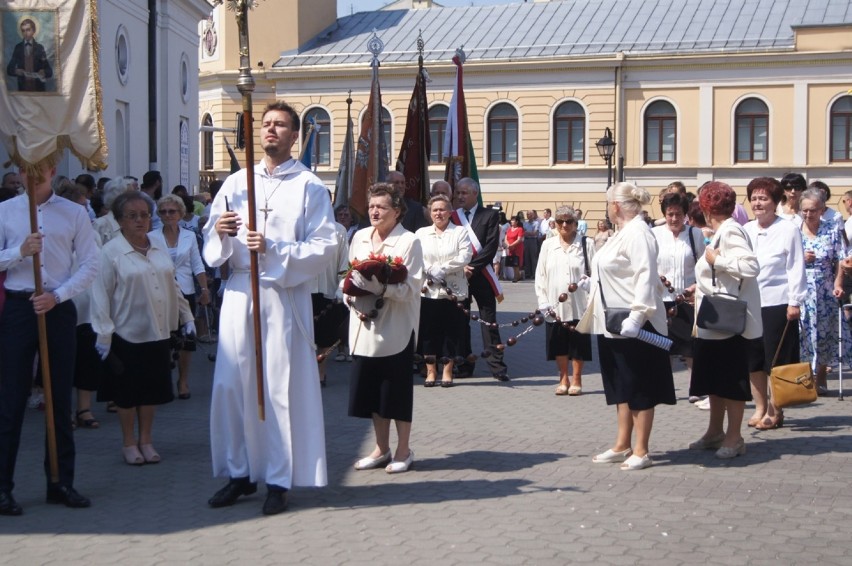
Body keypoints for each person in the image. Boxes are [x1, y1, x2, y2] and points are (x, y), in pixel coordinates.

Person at [203, 101, 336, 515]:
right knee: (230, 384)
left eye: (280, 125)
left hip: (281, 292)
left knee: (277, 386)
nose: (271, 130)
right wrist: (221, 233)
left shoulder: (309, 186)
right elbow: (212, 237)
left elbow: (325, 246)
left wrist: (275, 250)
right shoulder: (237, 183)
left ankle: (278, 479)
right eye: (265, 124)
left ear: (295, 135)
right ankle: (238, 473)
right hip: (241, 290)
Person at [0, 164, 99, 515]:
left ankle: (60, 482)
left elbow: (90, 263)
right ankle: (3, 488)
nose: (33, 174)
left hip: (56, 306)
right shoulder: (5, 211)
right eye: (25, 167)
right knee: (11, 398)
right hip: (17, 307)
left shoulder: (73, 212)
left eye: (40, 166)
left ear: (52, 168)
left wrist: (58, 296)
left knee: (58, 397)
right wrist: (19, 252)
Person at [576, 182, 675, 471]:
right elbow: (616, 271)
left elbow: (645, 275)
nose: (608, 207)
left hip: (635, 323)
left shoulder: (639, 233)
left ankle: (641, 449)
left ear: (616, 206)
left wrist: (638, 315)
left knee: (639, 384)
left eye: (609, 202)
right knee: (620, 383)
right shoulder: (622, 233)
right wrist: (591, 284)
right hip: (613, 321)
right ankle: (622, 444)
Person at [91, 192, 194, 466]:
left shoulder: (158, 247)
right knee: (127, 393)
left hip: (158, 330)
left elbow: (172, 284)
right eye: (132, 216)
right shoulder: (110, 252)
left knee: (150, 390)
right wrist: (103, 333)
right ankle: (128, 442)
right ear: (120, 220)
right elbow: (100, 293)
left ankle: (146, 440)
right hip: (126, 333)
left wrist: (187, 317)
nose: (140, 221)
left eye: (145, 215)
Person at [347, 183, 423, 473]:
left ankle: (404, 450)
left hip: (396, 327)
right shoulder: (360, 237)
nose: (375, 211)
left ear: (398, 211)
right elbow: (348, 271)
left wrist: (379, 288)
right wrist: (350, 292)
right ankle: (381, 448)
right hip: (364, 326)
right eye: (371, 207)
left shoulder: (409, 241)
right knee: (373, 391)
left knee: (396, 391)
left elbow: (411, 288)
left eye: (381, 207)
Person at [689, 182, 762, 459]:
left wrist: (717, 260)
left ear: (706, 209)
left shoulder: (731, 230)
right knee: (713, 380)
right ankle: (714, 432)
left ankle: (734, 437)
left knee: (730, 381)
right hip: (713, 320)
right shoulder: (722, 232)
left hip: (727, 325)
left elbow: (750, 266)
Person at [743, 177, 807, 429]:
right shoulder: (746, 229)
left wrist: (795, 301)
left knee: (775, 361)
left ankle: (775, 409)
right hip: (749, 303)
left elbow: (795, 267)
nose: (758, 203)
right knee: (753, 360)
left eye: (763, 198)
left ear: (775, 201)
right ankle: (759, 407)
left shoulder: (788, 229)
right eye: (754, 198)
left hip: (778, 303)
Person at [148, 194, 210, 400]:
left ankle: (182, 381)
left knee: (186, 339)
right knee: (163, 337)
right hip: (160, 291)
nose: (167, 215)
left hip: (185, 291)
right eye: (163, 211)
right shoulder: (151, 237)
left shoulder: (189, 236)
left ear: (181, 214)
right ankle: (162, 380)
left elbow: (196, 264)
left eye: (172, 211)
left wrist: (204, 289)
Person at [453, 178, 508, 380]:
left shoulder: (490, 215)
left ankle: (496, 366)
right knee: (460, 322)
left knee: (489, 322)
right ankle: (464, 365)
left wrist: (472, 268)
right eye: (458, 192)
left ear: (475, 193)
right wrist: (461, 268)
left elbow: (491, 246)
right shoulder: (453, 217)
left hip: (481, 275)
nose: (460, 196)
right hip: (460, 276)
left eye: (464, 193)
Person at [535, 206, 594, 396]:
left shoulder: (586, 244)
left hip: (579, 302)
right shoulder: (548, 245)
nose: (565, 225)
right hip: (554, 303)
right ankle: (563, 377)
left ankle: (577, 379)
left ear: (576, 224)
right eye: (560, 221)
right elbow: (540, 276)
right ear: (555, 224)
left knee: (578, 343)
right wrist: (542, 301)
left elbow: (596, 273)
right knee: (558, 343)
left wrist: (589, 285)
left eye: (569, 221)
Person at [415, 195, 471, 387]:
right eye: (435, 210)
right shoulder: (421, 233)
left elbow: (465, 254)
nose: (438, 213)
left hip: (453, 291)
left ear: (450, 212)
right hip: (429, 290)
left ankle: (447, 371)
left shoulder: (460, 232)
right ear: (430, 213)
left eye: (442, 209)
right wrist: (430, 269)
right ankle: (431, 371)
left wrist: (444, 268)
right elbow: (416, 256)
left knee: (451, 332)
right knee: (429, 333)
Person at [799, 188, 851, 395]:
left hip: (825, 288)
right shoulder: (793, 230)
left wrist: (838, 284)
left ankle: (820, 377)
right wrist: (801, 258)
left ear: (822, 210)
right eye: (804, 211)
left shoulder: (831, 229)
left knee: (824, 334)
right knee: (803, 333)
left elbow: (841, 258)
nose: (808, 215)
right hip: (801, 289)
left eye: (812, 210)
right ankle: (804, 379)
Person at [651, 193, 705, 379]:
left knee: (690, 347)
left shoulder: (695, 234)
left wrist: (695, 287)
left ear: (685, 214)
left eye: (678, 214)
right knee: (662, 346)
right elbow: (647, 263)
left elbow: (704, 267)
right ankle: (664, 386)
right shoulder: (654, 234)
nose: (674, 218)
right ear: (664, 214)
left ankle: (695, 387)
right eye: (670, 214)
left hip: (686, 299)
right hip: (660, 299)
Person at [6, 18, 53, 92]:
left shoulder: (40, 48)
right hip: (23, 89)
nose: (25, 33)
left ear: (33, 31)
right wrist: (16, 71)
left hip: (38, 88)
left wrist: (43, 72)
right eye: (23, 30)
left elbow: (49, 71)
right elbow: (9, 69)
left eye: (28, 30)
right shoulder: (18, 48)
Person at [504, 216, 524, 283]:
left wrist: (512, 245)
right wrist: (508, 245)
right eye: (511, 220)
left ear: (517, 222)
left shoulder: (520, 229)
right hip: (510, 248)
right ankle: (519, 275)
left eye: (513, 220)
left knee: (516, 262)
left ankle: (516, 277)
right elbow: (506, 238)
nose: (512, 222)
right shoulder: (509, 229)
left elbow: (519, 239)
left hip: (517, 248)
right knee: (512, 262)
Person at [522, 210, 541, 277]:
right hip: (526, 241)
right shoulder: (525, 223)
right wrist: (529, 233)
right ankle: (527, 273)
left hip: (533, 241)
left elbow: (535, 233)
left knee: (533, 257)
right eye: (527, 214)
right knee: (526, 257)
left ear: (533, 215)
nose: (528, 215)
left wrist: (528, 233)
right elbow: (523, 233)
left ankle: (534, 274)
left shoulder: (536, 223)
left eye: (530, 214)